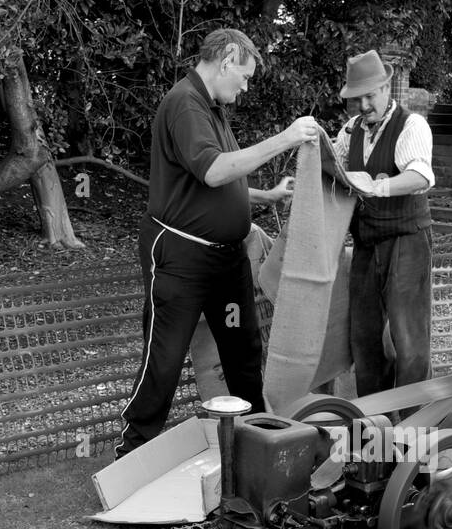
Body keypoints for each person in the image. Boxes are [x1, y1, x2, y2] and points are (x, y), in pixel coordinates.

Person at [115, 28, 319, 459]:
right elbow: (213, 171)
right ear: (226, 59)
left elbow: (214, 183)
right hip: (182, 260)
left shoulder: (212, 107)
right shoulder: (185, 104)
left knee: (243, 349)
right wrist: (285, 138)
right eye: (243, 76)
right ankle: (133, 450)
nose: (245, 88)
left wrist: (265, 196)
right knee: (165, 359)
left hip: (225, 263)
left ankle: (256, 442)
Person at [332, 49, 435, 397]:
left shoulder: (411, 125)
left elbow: (420, 176)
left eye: (370, 95)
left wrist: (377, 186)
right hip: (365, 243)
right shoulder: (350, 131)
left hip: (407, 240)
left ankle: (412, 425)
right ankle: (373, 425)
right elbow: (334, 167)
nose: (363, 105)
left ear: (386, 88)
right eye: (357, 98)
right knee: (365, 338)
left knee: (409, 340)